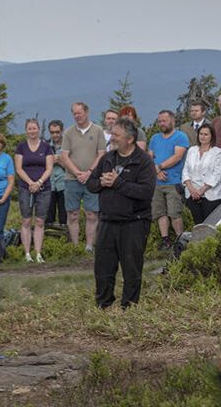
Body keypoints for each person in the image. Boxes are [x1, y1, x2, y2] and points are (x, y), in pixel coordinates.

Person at [86, 119, 155, 309]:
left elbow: (145, 192)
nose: (112, 138)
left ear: (130, 139)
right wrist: (102, 182)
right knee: (103, 267)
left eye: (116, 135)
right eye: (112, 134)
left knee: (131, 266)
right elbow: (90, 184)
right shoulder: (107, 158)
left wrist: (118, 183)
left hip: (134, 222)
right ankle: (103, 304)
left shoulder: (143, 161)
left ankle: (129, 306)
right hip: (107, 221)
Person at [60, 101, 106, 251]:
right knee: (72, 213)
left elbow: (101, 154)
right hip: (72, 179)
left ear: (86, 112)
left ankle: (89, 246)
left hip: (92, 178)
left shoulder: (98, 130)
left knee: (92, 213)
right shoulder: (68, 132)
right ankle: (75, 247)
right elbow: (64, 156)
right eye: (74, 113)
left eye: (79, 113)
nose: (77, 116)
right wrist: (77, 173)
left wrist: (89, 172)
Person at [14, 118, 55, 263]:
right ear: (26, 130)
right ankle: (26, 253)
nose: (32, 131)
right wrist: (30, 182)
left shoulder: (46, 147)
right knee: (26, 220)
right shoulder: (21, 147)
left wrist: (39, 182)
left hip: (43, 187)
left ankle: (38, 252)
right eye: (29, 128)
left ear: (38, 129)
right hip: (26, 187)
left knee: (39, 220)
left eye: (34, 128)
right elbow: (18, 168)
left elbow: (49, 168)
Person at [147, 110, 189, 250]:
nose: (161, 124)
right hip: (157, 182)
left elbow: (177, 157)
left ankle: (180, 240)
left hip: (174, 180)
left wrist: (159, 167)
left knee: (174, 212)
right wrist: (156, 169)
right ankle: (165, 240)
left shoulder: (180, 136)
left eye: (164, 121)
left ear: (172, 121)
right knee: (159, 212)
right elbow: (150, 158)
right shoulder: (154, 138)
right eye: (159, 121)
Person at [180, 124, 221, 224]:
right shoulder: (192, 150)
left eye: (206, 134)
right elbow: (185, 170)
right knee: (197, 223)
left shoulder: (218, 152)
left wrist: (201, 191)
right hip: (192, 194)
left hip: (210, 195)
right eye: (201, 134)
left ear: (211, 136)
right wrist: (192, 190)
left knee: (210, 224)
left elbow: (217, 175)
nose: (203, 136)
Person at [0, 138, 16, 262]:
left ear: (2, 144)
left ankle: (0, 255)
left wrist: (3, 198)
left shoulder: (7, 158)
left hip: (2, 196)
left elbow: (11, 180)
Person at [44, 120, 68, 230]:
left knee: (64, 213)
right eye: (52, 132)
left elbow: (73, 166)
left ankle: (65, 237)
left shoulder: (67, 146)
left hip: (64, 182)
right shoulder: (45, 146)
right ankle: (50, 237)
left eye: (57, 132)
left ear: (62, 131)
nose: (55, 135)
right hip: (49, 183)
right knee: (49, 213)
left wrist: (60, 162)